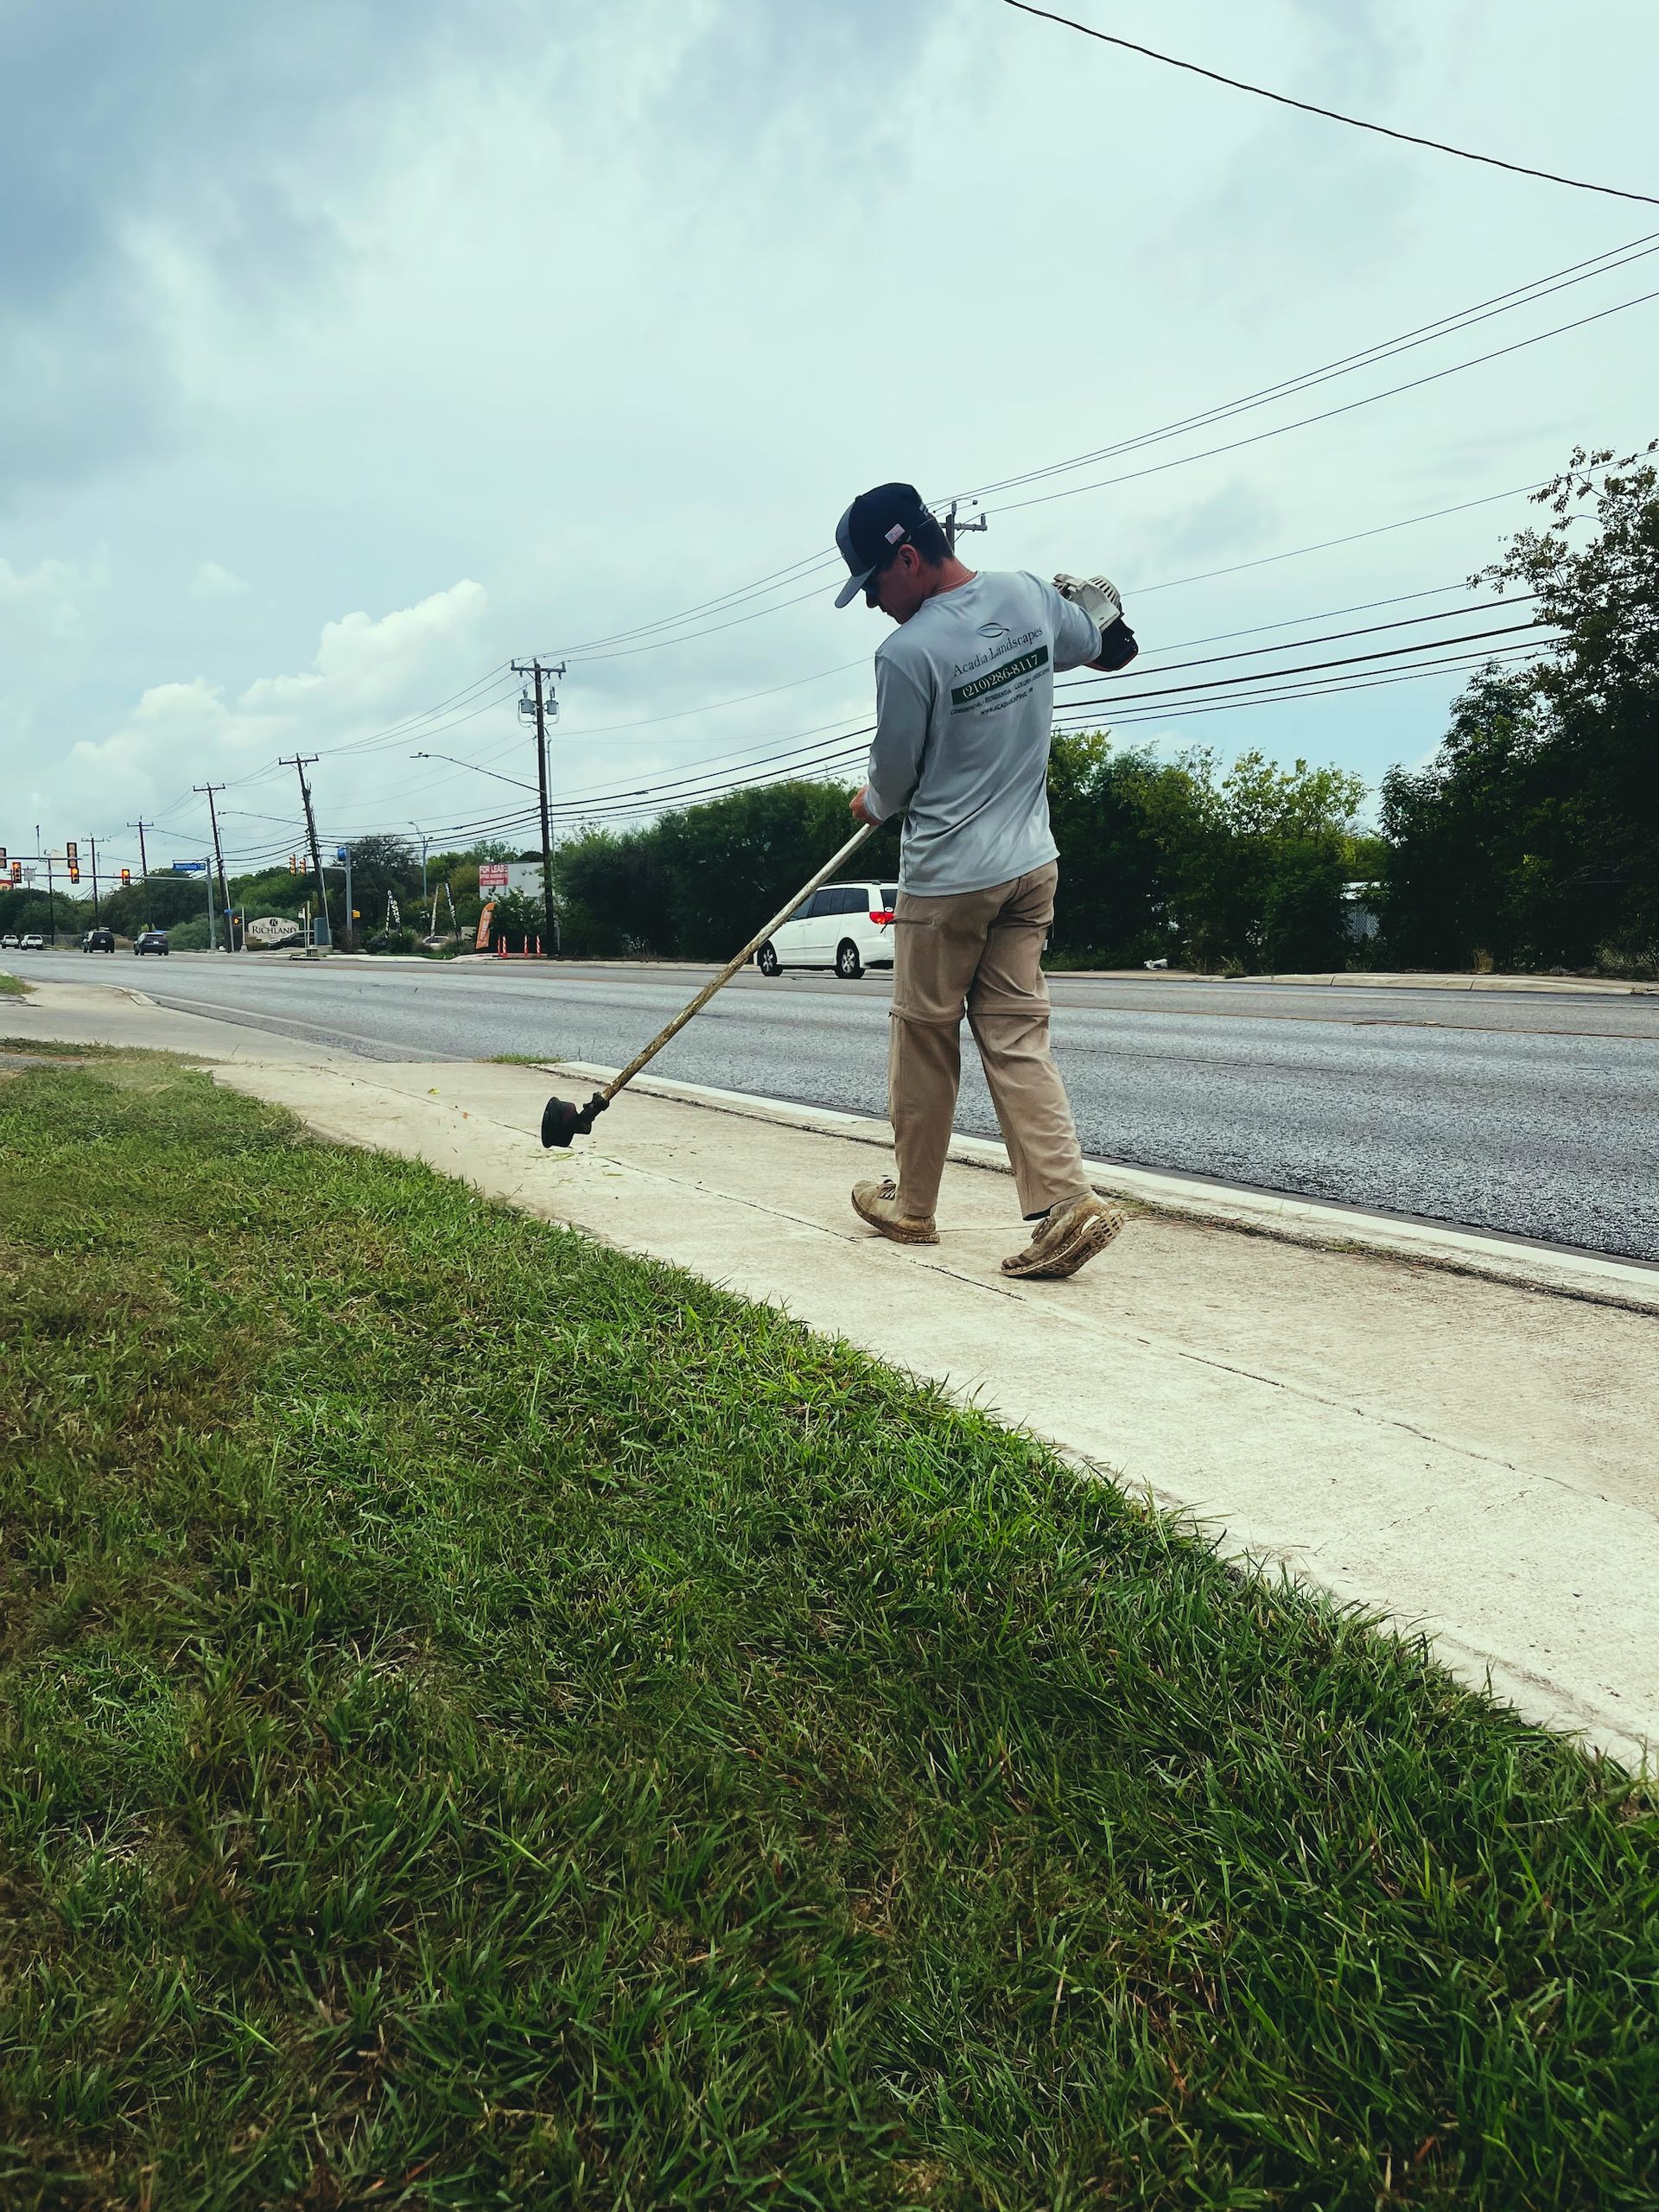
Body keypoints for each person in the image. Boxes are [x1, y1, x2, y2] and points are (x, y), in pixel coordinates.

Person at [833, 480, 1139, 1280]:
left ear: (907, 556)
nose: (874, 605)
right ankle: (1066, 1204)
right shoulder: (1029, 595)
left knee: (925, 1038)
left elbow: (895, 781)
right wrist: (1097, 611)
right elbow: (1103, 644)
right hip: (1031, 864)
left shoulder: (906, 653)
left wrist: (870, 801)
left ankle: (913, 1208)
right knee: (1014, 1035)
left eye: (874, 584)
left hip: (946, 881)